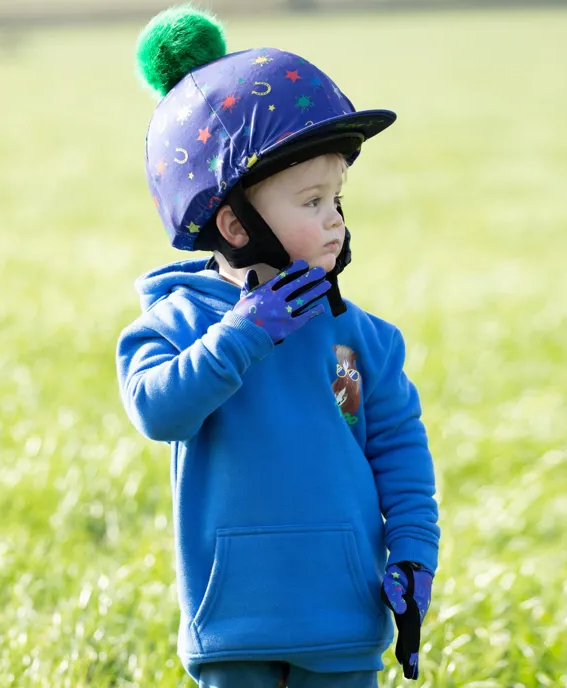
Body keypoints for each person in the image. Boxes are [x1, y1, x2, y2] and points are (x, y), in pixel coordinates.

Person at [116, 7, 440, 687]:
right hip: (234, 626)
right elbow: (158, 411)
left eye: (337, 199)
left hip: (344, 620)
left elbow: (398, 452)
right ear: (235, 224)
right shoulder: (178, 324)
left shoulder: (358, 339)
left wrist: (413, 554)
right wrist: (244, 334)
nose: (335, 220)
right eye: (312, 201)